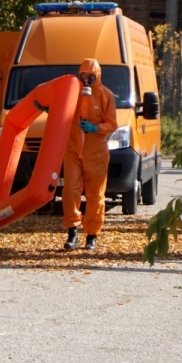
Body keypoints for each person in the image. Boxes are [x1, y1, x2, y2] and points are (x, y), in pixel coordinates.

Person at [62, 58, 117, 251]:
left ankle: (92, 235)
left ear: (98, 75)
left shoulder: (105, 95)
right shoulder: (72, 92)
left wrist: (96, 128)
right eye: (83, 75)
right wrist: (46, 107)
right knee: (70, 190)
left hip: (96, 152)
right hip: (72, 149)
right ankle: (72, 231)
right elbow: (59, 107)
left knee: (95, 194)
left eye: (90, 75)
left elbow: (112, 124)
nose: (86, 78)